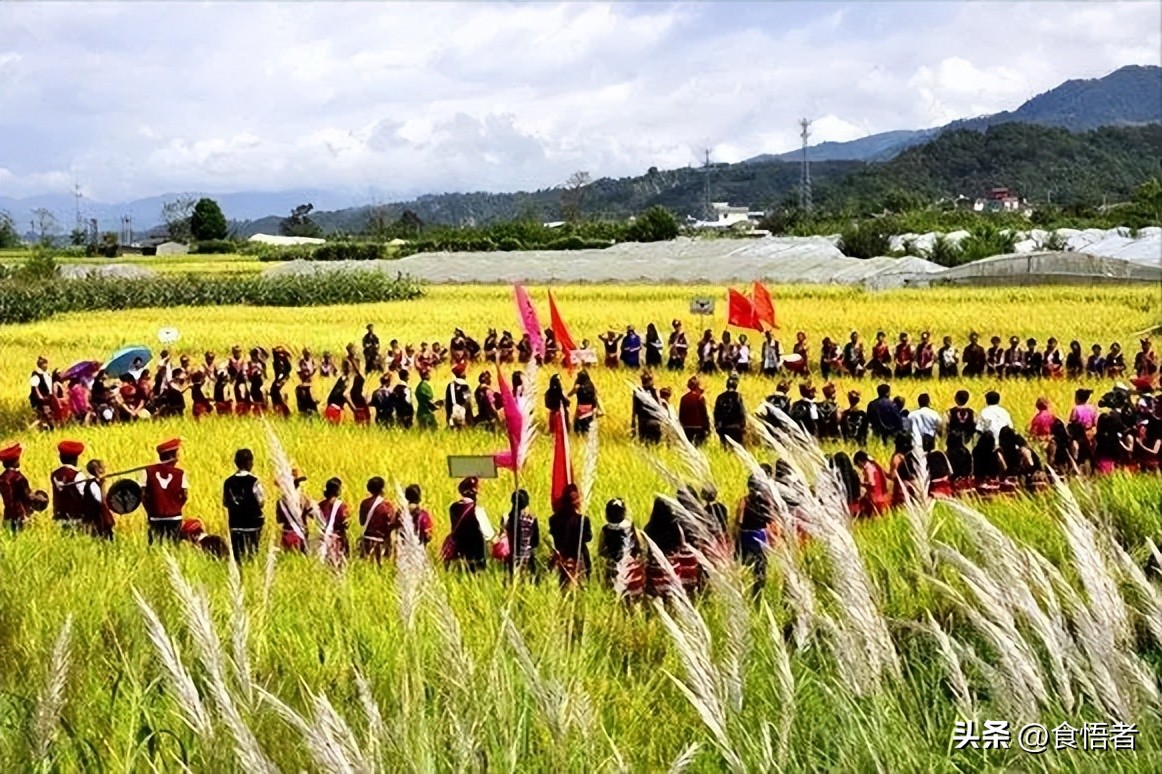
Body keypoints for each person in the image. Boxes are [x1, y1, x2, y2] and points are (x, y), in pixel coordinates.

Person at [222, 448, 265, 562]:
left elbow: (225, 502)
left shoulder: (228, 482)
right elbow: (261, 502)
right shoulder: (254, 481)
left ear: (236, 463)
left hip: (235, 523)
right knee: (252, 554)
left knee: (237, 556)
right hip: (253, 523)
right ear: (250, 462)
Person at [143, 438, 188, 544]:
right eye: (177, 454)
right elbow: (185, 495)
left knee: (155, 545)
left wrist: (150, 510)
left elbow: (142, 495)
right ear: (171, 456)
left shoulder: (147, 471)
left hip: (155, 517)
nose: (178, 458)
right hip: (175, 517)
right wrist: (176, 506)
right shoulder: (180, 473)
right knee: (173, 546)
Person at [735, 476, 772, 598]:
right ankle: (759, 589)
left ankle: (745, 590)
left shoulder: (744, 500)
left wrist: (736, 536)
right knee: (760, 563)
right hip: (760, 534)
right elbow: (769, 519)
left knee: (745, 564)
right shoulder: (765, 501)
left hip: (746, 534)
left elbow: (738, 521)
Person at [549, 484, 591, 587]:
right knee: (582, 586)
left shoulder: (553, 519)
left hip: (562, 557)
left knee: (564, 586)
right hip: (579, 557)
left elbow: (555, 538)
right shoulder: (582, 520)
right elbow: (588, 537)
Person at [447, 476, 493, 571]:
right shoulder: (477, 511)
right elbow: (488, 534)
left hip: (459, 552)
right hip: (476, 554)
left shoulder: (453, 508)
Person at [598, 498, 641, 590]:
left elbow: (601, 549)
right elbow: (639, 544)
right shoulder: (630, 527)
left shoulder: (605, 529)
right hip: (628, 564)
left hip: (611, 565)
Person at [359, 476, 400, 563]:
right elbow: (391, 525)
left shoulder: (364, 503)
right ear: (382, 489)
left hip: (366, 542)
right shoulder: (387, 506)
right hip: (380, 544)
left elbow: (362, 522)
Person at [50, 439, 85, 533]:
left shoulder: (54, 474)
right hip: (76, 518)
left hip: (59, 517)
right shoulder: (78, 475)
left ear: (60, 457)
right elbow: (84, 495)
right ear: (76, 459)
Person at [275, 467, 313, 553]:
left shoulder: (281, 501)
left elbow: (279, 520)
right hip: (301, 537)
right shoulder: (303, 499)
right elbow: (313, 514)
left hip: (287, 535)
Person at [503, 489, 540, 576]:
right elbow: (535, 541)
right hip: (527, 557)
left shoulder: (508, 518)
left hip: (512, 557)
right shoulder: (532, 519)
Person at [0, 444, 36, 533]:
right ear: (15, 462)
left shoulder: (2, 477)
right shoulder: (18, 478)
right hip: (20, 515)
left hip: (7, 515)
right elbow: (27, 496)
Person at [78, 458, 115, 540]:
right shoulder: (93, 484)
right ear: (98, 470)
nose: (105, 468)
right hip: (96, 521)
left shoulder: (94, 483)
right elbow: (102, 502)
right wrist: (103, 484)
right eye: (102, 467)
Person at [318, 477, 351, 561]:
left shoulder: (320, 505)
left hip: (323, 539)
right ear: (338, 490)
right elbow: (346, 524)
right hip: (337, 540)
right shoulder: (342, 506)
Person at [852, 450, 889, 518]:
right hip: (880, 495)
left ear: (860, 462)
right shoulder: (873, 465)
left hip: (874, 497)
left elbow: (871, 483)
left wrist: (861, 484)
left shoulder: (868, 468)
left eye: (857, 465)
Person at [713, 375, 746, 447]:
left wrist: (717, 425)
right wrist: (743, 426)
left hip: (723, 427)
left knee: (725, 448)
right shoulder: (738, 396)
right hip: (735, 427)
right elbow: (741, 412)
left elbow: (716, 413)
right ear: (736, 385)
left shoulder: (720, 397)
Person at [678, 376, 711, 446]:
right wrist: (707, 427)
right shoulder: (700, 398)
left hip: (686, 427)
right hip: (698, 427)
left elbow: (681, 415)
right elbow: (704, 414)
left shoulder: (683, 398)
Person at [631, 372, 663, 444]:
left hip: (643, 421)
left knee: (645, 442)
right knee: (654, 443)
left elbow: (634, 409)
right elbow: (659, 406)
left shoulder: (638, 391)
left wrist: (633, 425)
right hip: (652, 420)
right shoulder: (653, 391)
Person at [889, 434, 919, 506]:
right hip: (916, 484)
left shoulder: (897, 457)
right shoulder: (914, 455)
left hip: (902, 487)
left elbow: (893, 476)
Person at [972, 432, 1004, 497]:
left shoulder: (976, 452)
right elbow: (1004, 467)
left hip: (979, 482)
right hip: (993, 484)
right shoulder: (994, 454)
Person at [444, 362, 473, 429]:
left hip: (452, 412)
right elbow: (467, 401)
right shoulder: (464, 385)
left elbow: (447, 401)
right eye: (464, 372)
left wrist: (448, 415)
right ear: (461, 373)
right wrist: (470, 416)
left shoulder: (450, 385)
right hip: (462, 412)